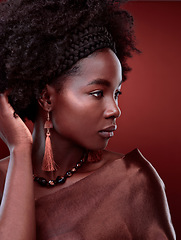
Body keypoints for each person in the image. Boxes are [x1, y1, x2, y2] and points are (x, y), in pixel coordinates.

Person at [0, 0, 176, 239]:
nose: (115, 110)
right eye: (97, 93)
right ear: (46, 98)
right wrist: (20, 149)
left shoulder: (132, 181)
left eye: (116, 94)